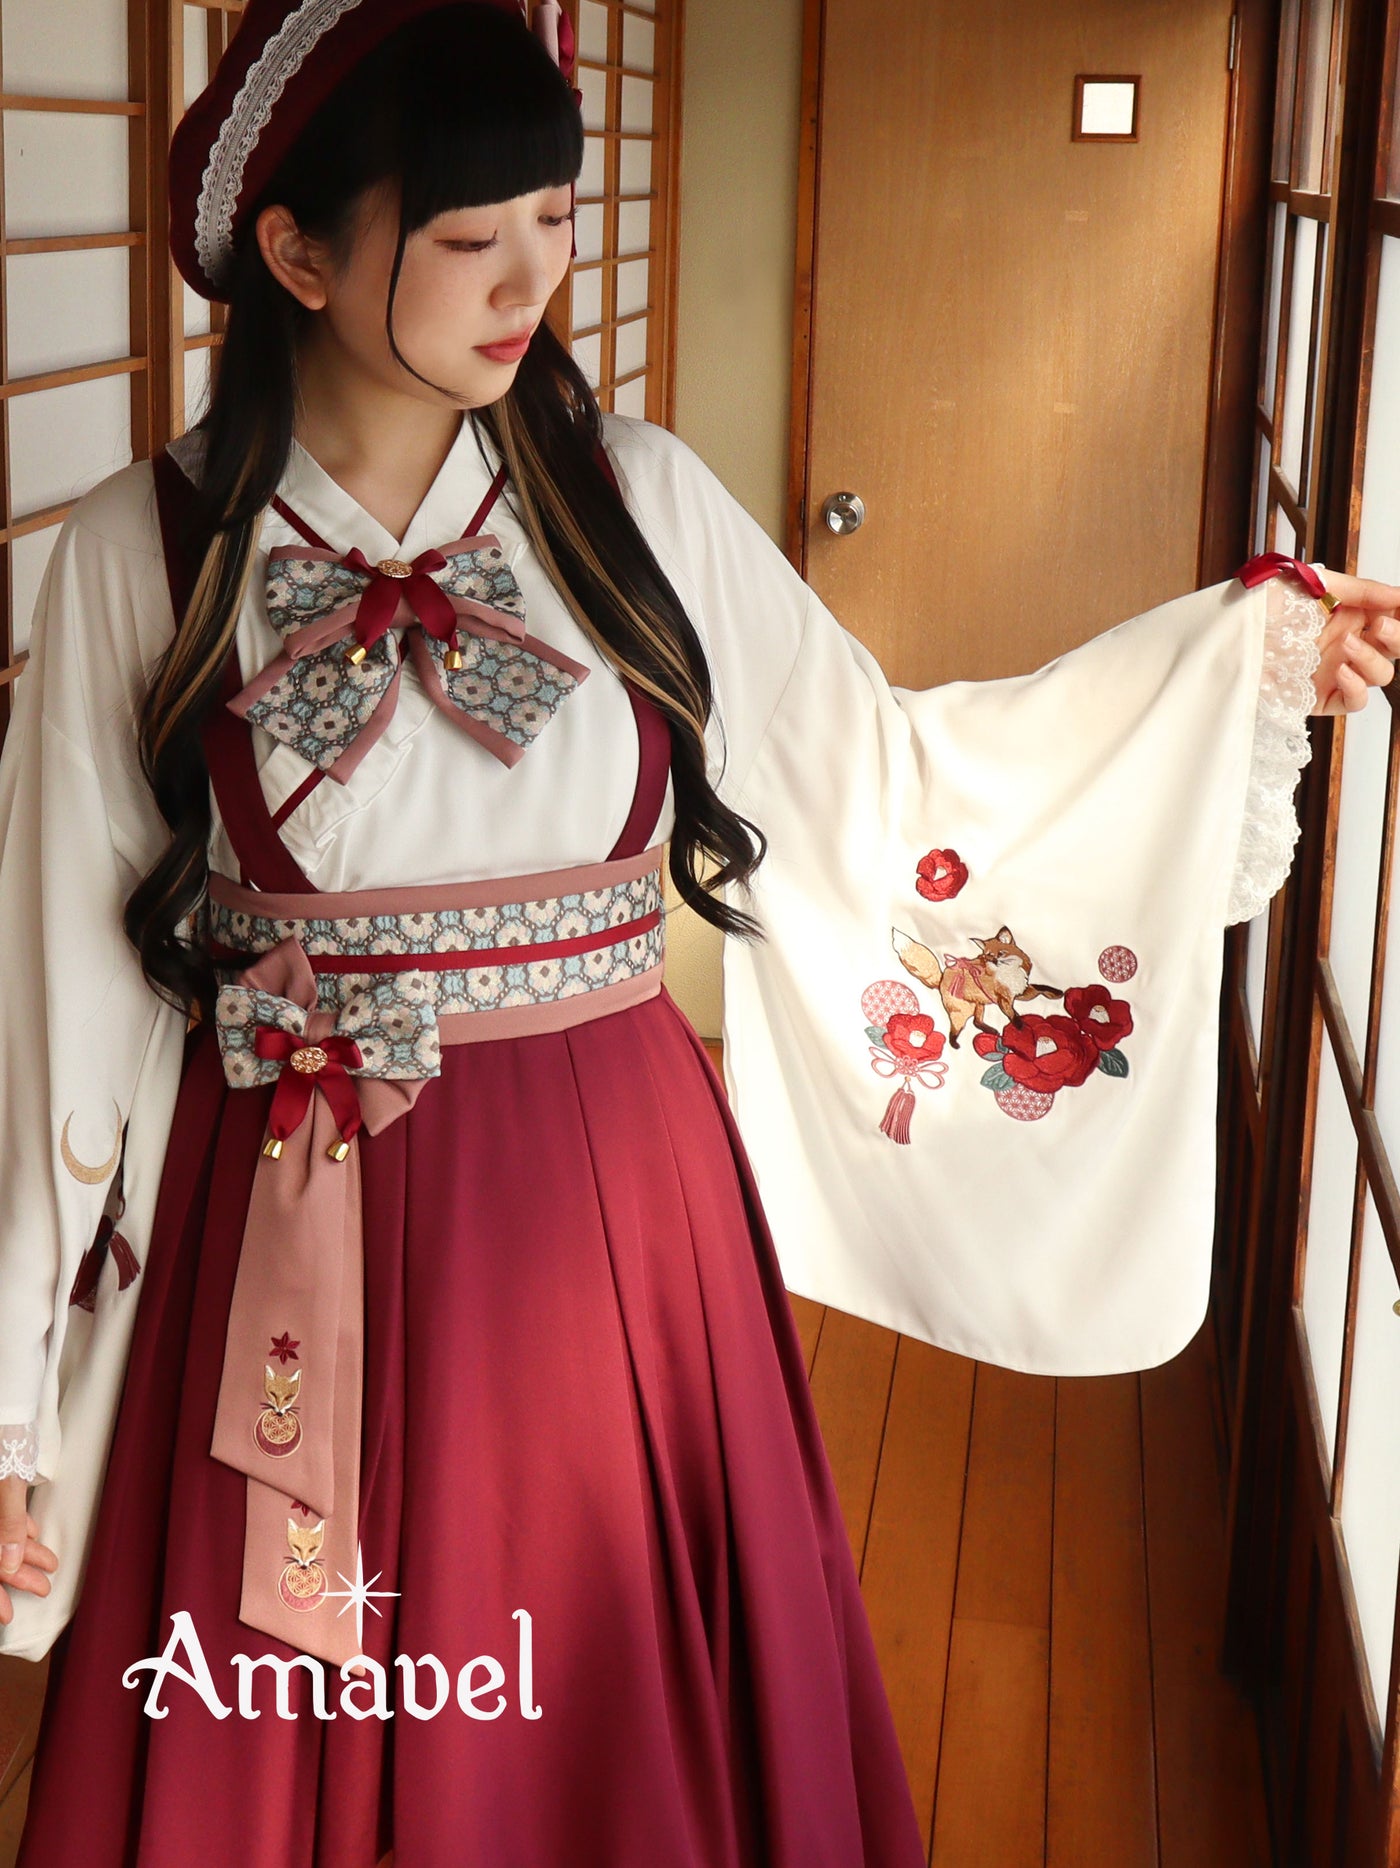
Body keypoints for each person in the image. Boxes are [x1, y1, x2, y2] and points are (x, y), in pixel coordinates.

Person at [0, 1, 1396, 1861]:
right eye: (471, 237)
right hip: (276, 1211)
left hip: (603, 1224)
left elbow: (885, 775)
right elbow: (51, 994)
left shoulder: (632, 499)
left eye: (556, 221)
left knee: (602, 1715)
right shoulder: (145, 549)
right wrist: (6, 1405)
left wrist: (1240, 666)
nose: (533, 283)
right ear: (298, 254)